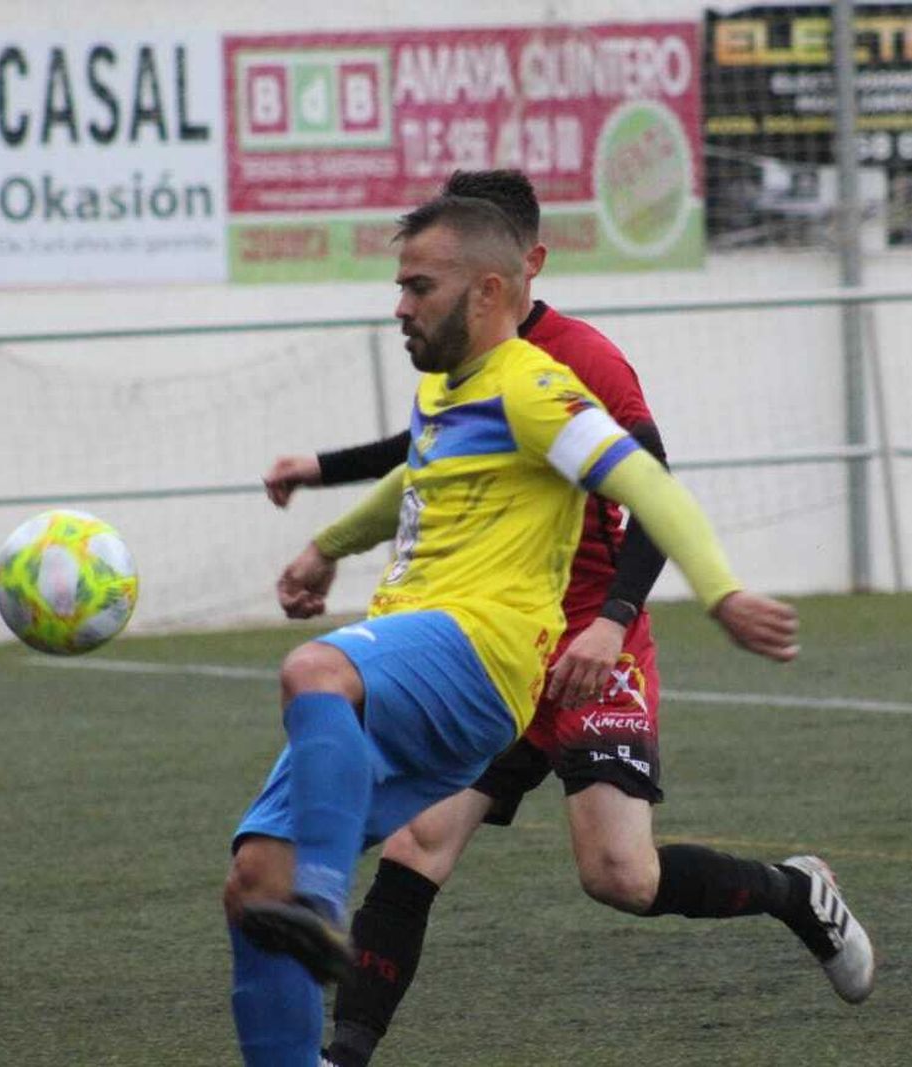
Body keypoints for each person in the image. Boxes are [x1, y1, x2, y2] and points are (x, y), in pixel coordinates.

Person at [262, 171, 874, 1067]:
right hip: (493, 646)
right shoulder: (455, 365)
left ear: (508, 272)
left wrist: (616, 620)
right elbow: (423, 458)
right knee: (417, 842)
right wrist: (326, 526)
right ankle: (343, 1054)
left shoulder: (574, 360)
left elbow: (652, 483)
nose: (408, 299)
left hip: (591, 638)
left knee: (620, 875)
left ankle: (795, 892)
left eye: (423, 279)